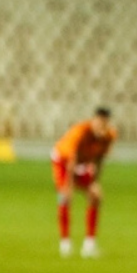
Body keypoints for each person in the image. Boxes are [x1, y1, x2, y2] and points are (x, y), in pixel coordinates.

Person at [51, 107, 116, 258]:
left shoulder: (109, 136)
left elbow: (99, 159)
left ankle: (89, 245)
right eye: (99, 122)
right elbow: (71, 158)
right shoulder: (79, 131)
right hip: (62, 161)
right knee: (65, 197)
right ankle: (65, 243)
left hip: (81, 163)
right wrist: (68, 185)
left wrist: (95, 181)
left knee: (96, 196)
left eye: (105, 123)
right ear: (94, 120)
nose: (102, 126)